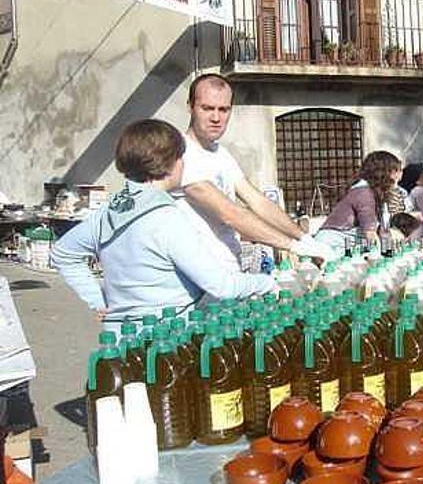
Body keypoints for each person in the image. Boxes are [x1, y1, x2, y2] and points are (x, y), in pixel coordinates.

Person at [51, 119, 275, 333]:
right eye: (181, 157)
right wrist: (264, 283)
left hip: (119, 342)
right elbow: (221, 286)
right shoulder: (166, 218)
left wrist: (98, 300)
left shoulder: (108, 212)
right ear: (169, 163)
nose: (183, 163)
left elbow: (63, 253)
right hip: (166, 343)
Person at [172, 74, 333, 271]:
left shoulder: (220, 154)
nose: (216, 117)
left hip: (228, 272)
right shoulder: (181, 154)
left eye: (223, 110)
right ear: (190, 107)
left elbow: (257, 201)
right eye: (207, 108)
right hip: (197, 276)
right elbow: (230, 213)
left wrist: (305, 238)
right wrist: (295, 246)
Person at [315, 150, 403, 256]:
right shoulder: (364, 193)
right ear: (382, 173)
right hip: (331, 246)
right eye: (394, 173)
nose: (397, 179)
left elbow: (381, 231)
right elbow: (370, 233)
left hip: (347, 246)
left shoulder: (375, 193)